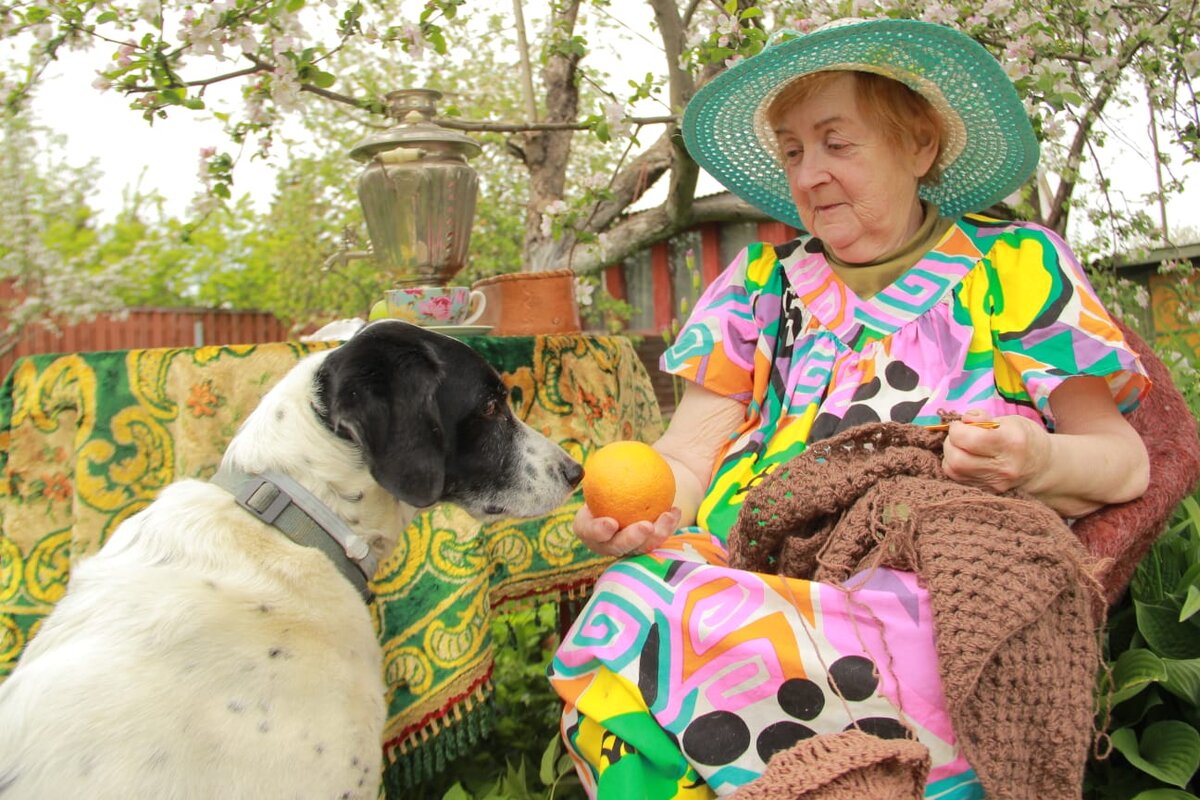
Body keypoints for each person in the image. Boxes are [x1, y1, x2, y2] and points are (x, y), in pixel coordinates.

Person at [548, 16, 1151, 800]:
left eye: (838, 143)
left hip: (915, 574)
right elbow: (688, 458)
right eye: (793, 151)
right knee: (629, 600)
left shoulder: (1015, 269)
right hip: (743, 565)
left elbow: (1125, 460)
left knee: (671, 621)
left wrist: (1037, 461)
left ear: (920, 147)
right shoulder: (760, 284)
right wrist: (642, 509)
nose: (808, 175)